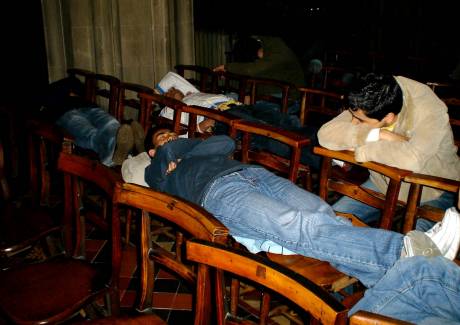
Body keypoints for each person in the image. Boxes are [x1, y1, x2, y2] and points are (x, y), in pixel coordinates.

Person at [130, 126, 460, 324]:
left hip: (255, 175)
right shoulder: (157, 171)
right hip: (219, 193)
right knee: (298, 226)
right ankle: (405, 253)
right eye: (161, 136)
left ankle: (393, 280)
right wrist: (170, 149)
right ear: (151, 150)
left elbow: (226, 143)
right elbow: (158, 167)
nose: (171, 136)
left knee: (323, 215)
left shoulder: (192, 149)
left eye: (171, 133)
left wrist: (187, 144)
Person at [318, 73, 460, 228]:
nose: (353, 123)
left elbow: (411, 159)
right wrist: (379, 134)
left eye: (360, 121)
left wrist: (362, 150)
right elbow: (325, 134)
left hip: (434, 188)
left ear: (389, 117)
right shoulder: (370, 97)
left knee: (417, 248)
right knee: (328, 222)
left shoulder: (429, 109)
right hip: (383, 183)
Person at [155, 71, 322, 170]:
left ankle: (328, 145)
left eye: (175, 88)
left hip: (238, 107)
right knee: (271, 134)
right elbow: (181, 137)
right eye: (170, 91)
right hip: (223, 120)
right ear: (165, 97)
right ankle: (323, 160)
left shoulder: (195, 94)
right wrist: (204, 124)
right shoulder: (170, 110)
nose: (174, 90)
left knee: (284, 121)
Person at [41, 76, 145, 166]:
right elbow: (45, 101)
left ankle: (119, 153)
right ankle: (122, 154)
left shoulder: (72, 84)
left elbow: (78, 85)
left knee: (112, 124)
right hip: (65, 113)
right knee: (89, 132)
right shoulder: (49, 97)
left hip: (90, 108)